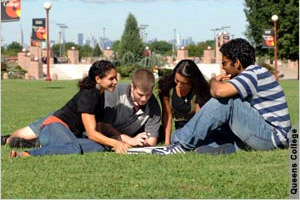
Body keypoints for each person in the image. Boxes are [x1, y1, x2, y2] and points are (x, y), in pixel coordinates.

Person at [152, 38, 291, 155]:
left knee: (227, 101)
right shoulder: (251, 74)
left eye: (224, 63)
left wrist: (213, 80)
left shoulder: (253, 73)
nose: (223, 67)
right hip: (263, 134)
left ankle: (181, 145)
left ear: (237, 63)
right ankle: (223, 147)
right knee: (191, 134)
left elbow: (219, 92)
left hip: (272, 137)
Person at [6, 68, 161, 152]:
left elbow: (151, 141)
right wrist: (128, 139)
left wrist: (141, 142)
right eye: (140, 95)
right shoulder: (113, 93)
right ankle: (7, 140)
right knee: (20, 135)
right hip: (65, 120)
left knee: (93, 147)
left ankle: (39, 144)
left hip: (81, 131)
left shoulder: (153, 106)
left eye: (148, 95)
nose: (144, 99)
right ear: (132, 86)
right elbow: (100, 127)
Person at [9, 60, 129, 158]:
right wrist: (115, 142)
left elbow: (98, 127)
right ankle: (26, 154)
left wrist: (115, 140)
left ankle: (45, 144)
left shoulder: (100, 93)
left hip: (70, 135)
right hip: (53, 127)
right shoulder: (88, 95)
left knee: (100, 147)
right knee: (74, 149)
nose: (115, 82)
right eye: (111, 79)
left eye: (116, 78)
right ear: (98, 79)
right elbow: (92, 134)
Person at [158, 59, 211, 145]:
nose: (178, 85)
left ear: (192, 82)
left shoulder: (199, 91)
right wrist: (167, 142)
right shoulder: (167, 88)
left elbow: (198, 119)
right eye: (177, 81)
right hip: (179, 130)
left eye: (183, 83)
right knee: (175, 137)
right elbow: (167, 116)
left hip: (194, 127)